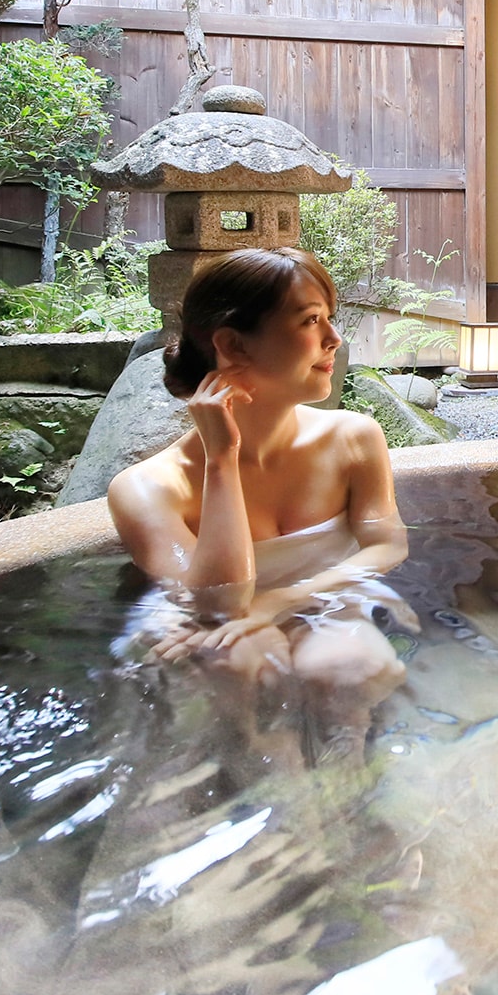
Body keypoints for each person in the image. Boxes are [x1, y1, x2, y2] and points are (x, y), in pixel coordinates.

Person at [107, 247, 412, 768]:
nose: (334, 339)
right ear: (232, 345)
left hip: (318, 604)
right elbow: (216, 604)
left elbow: (388, 544)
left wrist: (283, 599)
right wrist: (221, 460)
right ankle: (256, 781)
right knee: (241, 662)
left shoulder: (353, 437)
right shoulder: (148, 488)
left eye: (329, 318)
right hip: (208, 626)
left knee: (351, 667)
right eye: (311, 320)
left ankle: (346, 783)